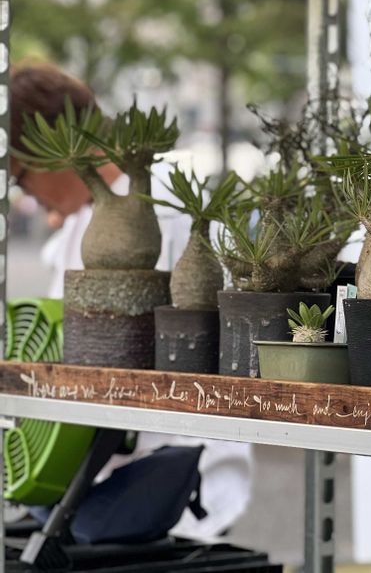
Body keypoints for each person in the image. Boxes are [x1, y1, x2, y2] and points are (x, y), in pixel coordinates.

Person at [10, 60, 252, 539]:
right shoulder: (84, 219)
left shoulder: (165, 206)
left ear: (50, 147)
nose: (29, 195)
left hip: (174, 485)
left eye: (20, 177)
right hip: (93, 487)